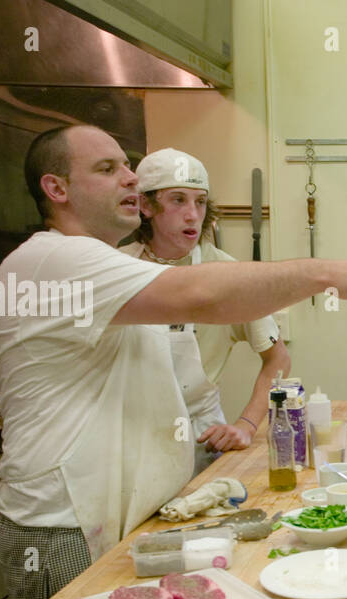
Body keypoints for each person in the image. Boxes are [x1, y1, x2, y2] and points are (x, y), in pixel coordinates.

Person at [0, 124, 347, 599]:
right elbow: (203, 294)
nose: (129, 178)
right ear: (56, 189)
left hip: (108, 510)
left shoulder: (105, 266)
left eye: (127, 166)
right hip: (62, 527)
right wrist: (326, 272)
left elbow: (219, 304)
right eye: (107, 169)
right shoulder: (55, 259)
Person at [120, 148, 291, 473]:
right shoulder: (118, 267)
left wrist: (247, 425)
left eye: (200, 202)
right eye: (178, 200)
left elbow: (278, 359)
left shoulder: (225, 274)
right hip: (130, 440)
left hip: (200, 441)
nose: (192, 215)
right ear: (146, 205)